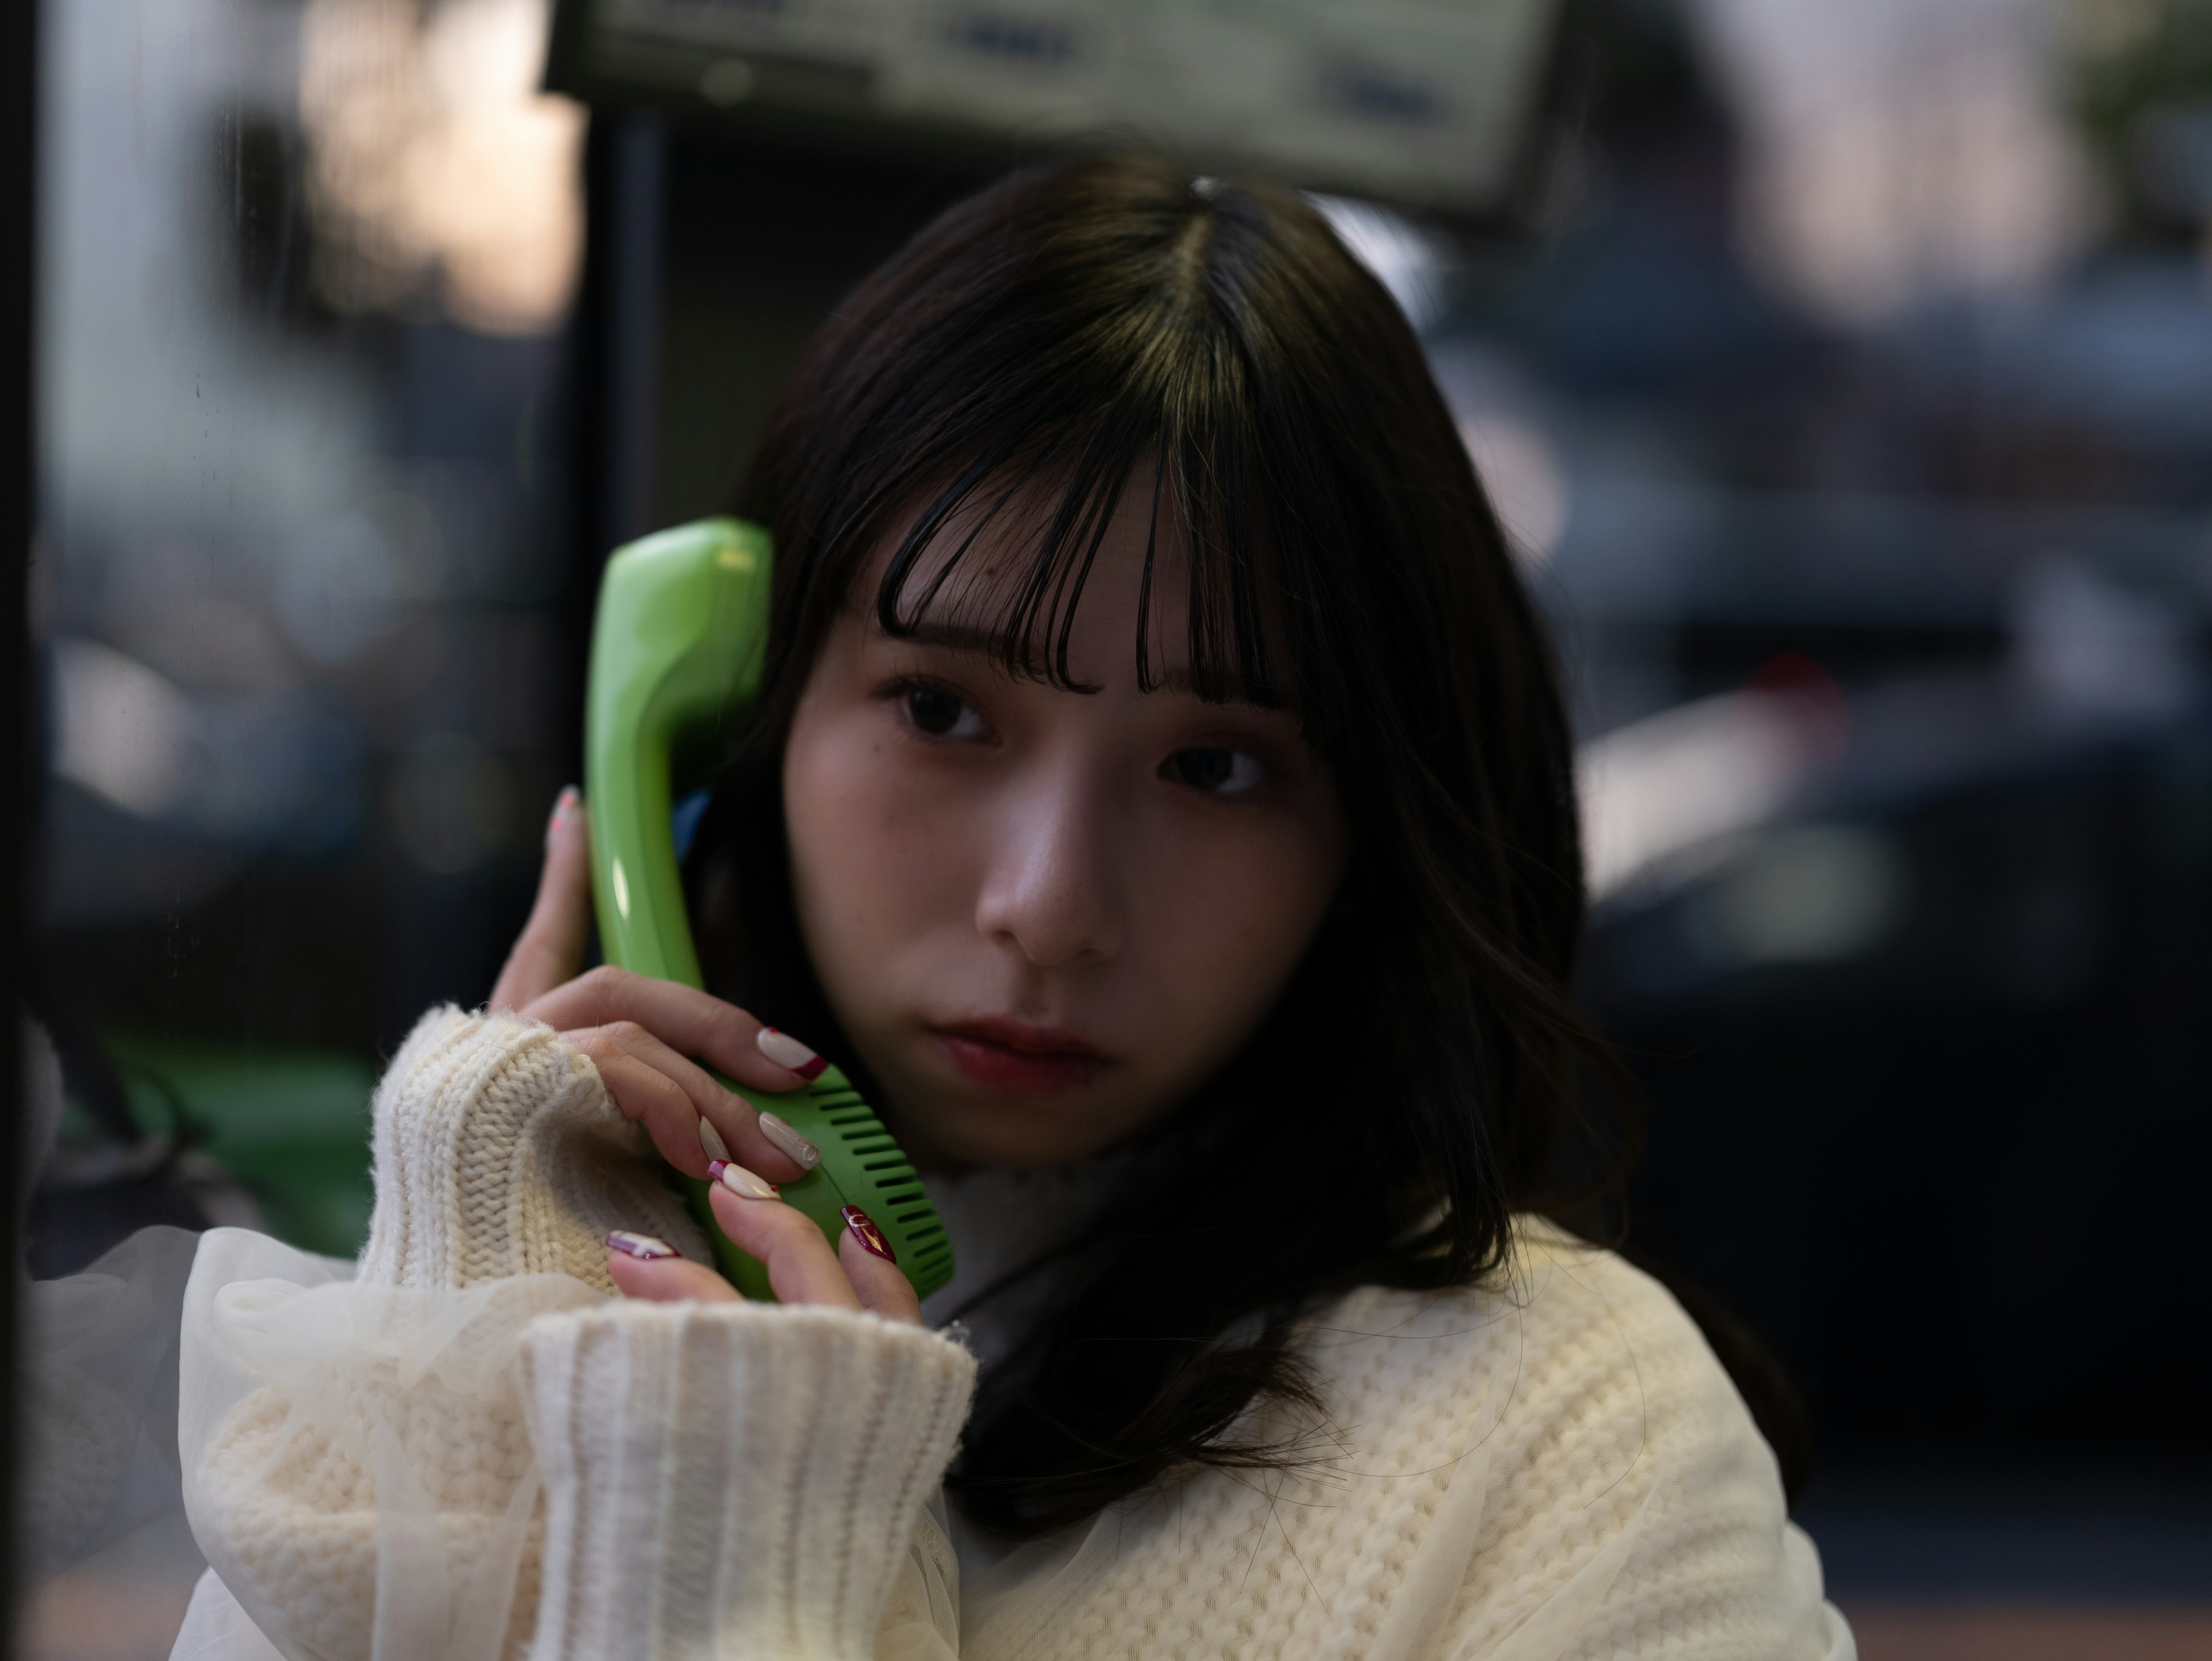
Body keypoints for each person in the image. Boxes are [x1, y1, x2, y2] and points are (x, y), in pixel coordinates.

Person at [169, 157, 1853, 1660]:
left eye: (1217, 766)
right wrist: (463, 1329)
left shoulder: (1574, 1435)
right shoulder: (538, 1268)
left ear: (1372, 833)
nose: (1048, 906)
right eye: (944, 711)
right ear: (739, 708)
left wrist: (735, 1569)